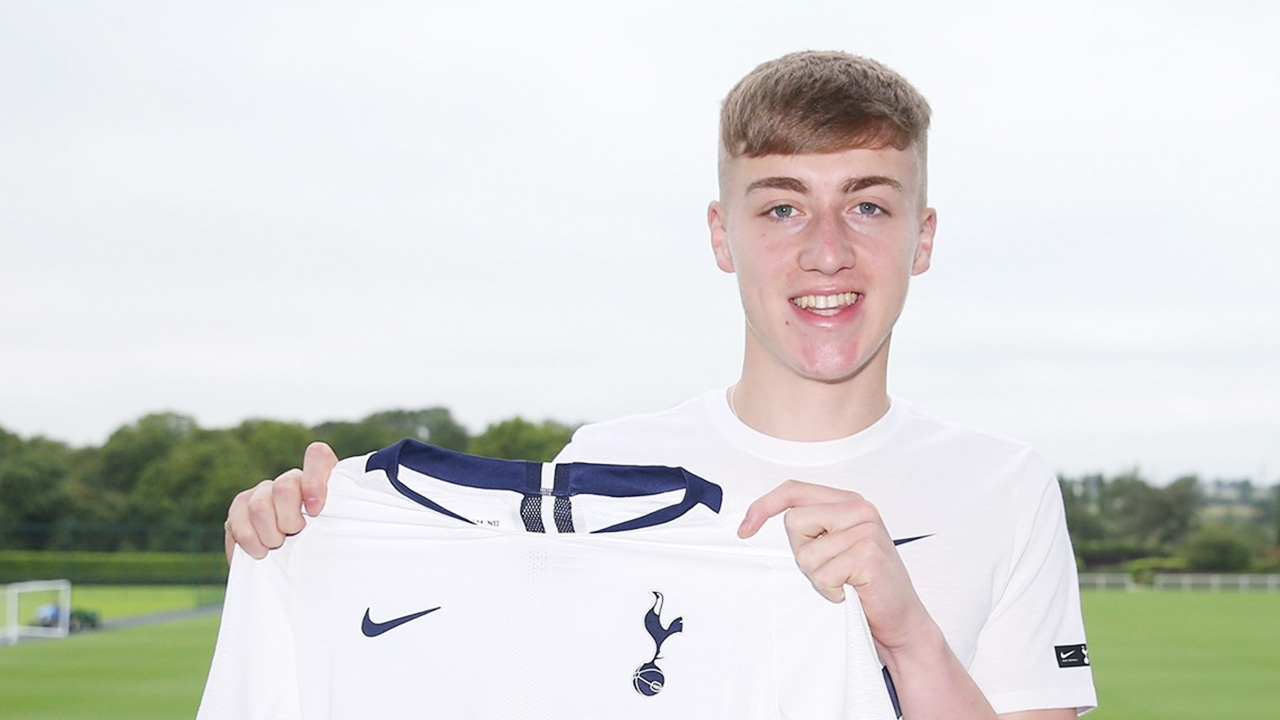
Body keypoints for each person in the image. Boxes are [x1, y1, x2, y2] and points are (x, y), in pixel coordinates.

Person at [224, 50, 1096, 719]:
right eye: (782, 207)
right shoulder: (604, 464)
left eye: (868, 205)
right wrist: (301, 550)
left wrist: (908, 638)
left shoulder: (1004, 485)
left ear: (923, 237)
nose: (827, 251)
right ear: (722, 236)